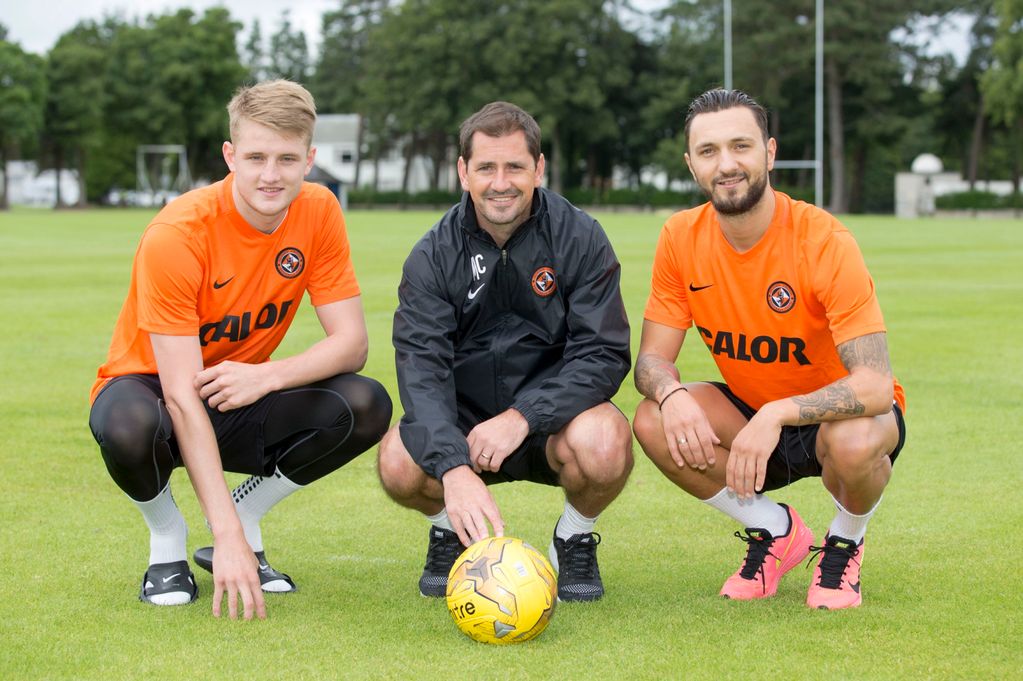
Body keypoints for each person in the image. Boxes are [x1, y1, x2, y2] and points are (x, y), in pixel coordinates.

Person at [88, 80, 392, 619]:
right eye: (255, 157)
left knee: (364, 404)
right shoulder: (177, 233)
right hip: (157, 392)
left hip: (236, 387)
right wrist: (220, 532)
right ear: (230, 155)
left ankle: (249, 515)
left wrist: (267, 376)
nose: (270, 175)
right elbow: (182, 396)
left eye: (286, 158)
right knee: (127, 424)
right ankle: (168, 540)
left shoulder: (319, 211)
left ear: (310, 159)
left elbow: (352, 344)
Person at [632, 89, 906, 610]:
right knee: (651, 419)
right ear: (691, 165)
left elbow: (873, 384)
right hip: (750, 416)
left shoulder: (824, 240)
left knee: (851, 442)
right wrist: (670, 394)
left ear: (770, 152)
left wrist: (778, 414)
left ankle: (845, 541)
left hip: (838, 419)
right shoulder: (680, 237)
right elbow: (650, 361)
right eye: (709, 151)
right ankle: (776, 532)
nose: (727, 164)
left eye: (741, 146)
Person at [377, 101, 633, 602]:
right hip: (466, 423)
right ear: (463, 172)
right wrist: (452, 466)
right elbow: (421, 372)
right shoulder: (432, 255)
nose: (501, 182)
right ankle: (452, 529)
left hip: (553, 421)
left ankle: (575, 535)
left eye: (515, 166)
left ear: (538, 169)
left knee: (606, 442)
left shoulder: (581, 237)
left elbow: (602, 353)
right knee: (397, 460)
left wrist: (523, 415)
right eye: (486, 168)